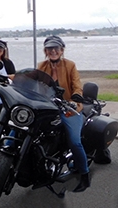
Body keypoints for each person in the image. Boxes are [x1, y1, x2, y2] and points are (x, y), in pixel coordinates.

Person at [37, 35, 90, 193]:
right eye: (50, 49)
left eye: (56, 48)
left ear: (62, 50)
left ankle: (84, 175)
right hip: (47, 107)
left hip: (68, 108)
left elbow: (76, 85)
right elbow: (29, 78)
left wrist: (75, 98)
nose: (53, 51)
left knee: (74, 141)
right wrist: (8, 78)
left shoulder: (70, 65)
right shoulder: (42, 66)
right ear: (45, 51)